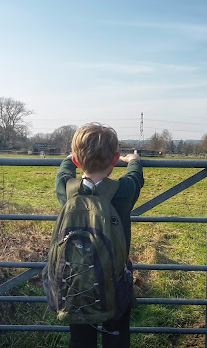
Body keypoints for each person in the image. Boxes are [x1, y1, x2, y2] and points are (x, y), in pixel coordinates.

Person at [55, 122, 144, 348]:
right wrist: (133, 161)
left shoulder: (68, 190)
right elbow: (135, 179)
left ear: (77, 161)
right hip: (115, 280)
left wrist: (70, 158)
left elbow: (63, 172)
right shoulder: (122, 192)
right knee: (117, 336)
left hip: (76, 282)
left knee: (81, 339)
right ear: (114, 160)